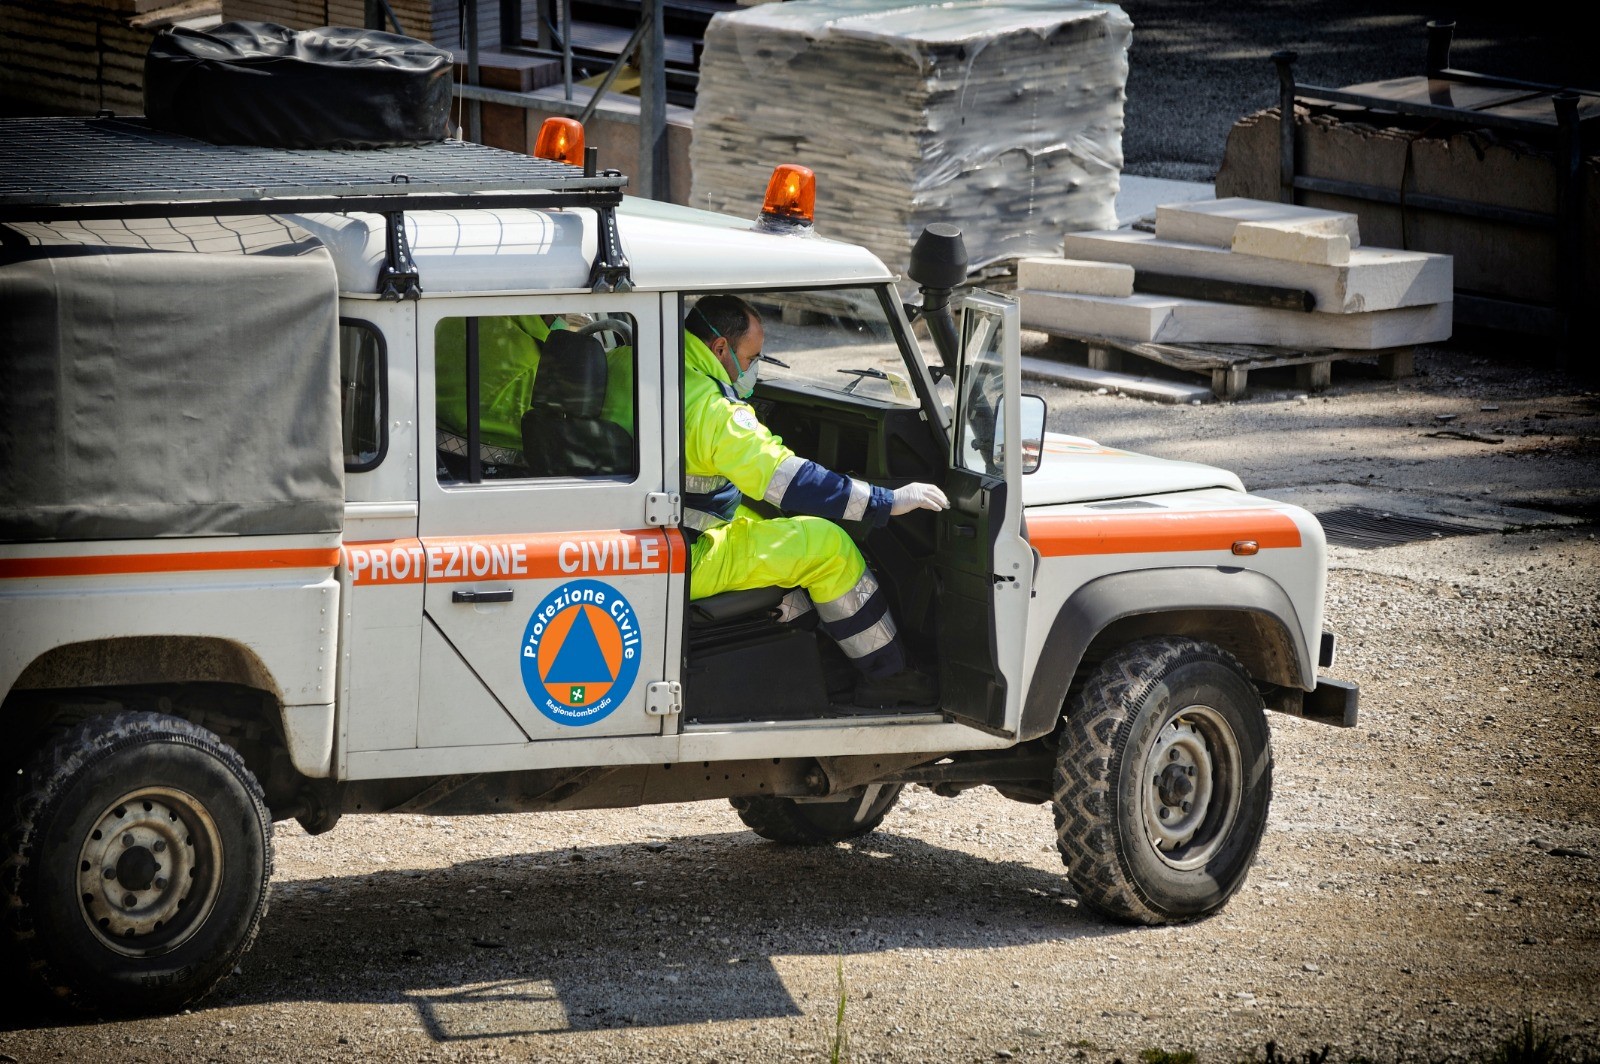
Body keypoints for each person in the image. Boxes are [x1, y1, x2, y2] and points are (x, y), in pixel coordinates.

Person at [682, 294, 949, 707]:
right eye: (752, 358)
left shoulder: (636, 362)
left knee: (765, 518)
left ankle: (815, 647)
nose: (753, 369)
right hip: (686, 555)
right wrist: (886, 501)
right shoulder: (713, 410)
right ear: (719, 348)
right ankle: (888, 676)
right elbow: (790, 480)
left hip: (653, 535)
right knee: (829, 546)